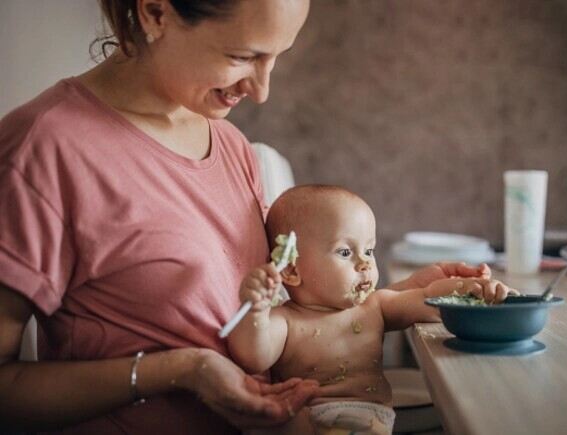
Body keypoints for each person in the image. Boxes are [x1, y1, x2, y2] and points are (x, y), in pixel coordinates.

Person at [0, 1, 503, 433]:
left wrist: (401, 293)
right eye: (243, 56)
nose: (261, 90)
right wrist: (183, 370)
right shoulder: (43, 150)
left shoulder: (232, 146)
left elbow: (287, 314)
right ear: (156, 12)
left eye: (275, 58)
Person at [228, 184, 518, 434]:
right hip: (309, 420)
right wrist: (255, 310)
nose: (365, 263)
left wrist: (474, 291)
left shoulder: (374, 306)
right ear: (291, 269)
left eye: (369, 250)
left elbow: (428, 298)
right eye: (345, 252)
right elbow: (253, 356)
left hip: (368, 423)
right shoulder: (285, 320)